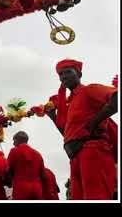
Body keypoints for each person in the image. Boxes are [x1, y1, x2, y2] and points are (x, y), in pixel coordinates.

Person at [46, 59, 117, 200]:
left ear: (79, 74)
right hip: (75, 155)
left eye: (68, 72)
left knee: (96, 196)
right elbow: (70, 134)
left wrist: (95, 122)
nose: (64, 76)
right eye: (61, 74)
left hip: (92, 151)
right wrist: (53, 117)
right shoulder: (71, 101)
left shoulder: (89, 90)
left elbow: (117, 97)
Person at [7, 131, 45, 200]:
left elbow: (8, 170)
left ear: (18, 140)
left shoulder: (14, 151)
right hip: (37, 189)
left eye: (14, 140)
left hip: (20, 189)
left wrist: (8, 183)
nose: (13, 143)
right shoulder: (38, 154)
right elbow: (43, 174)